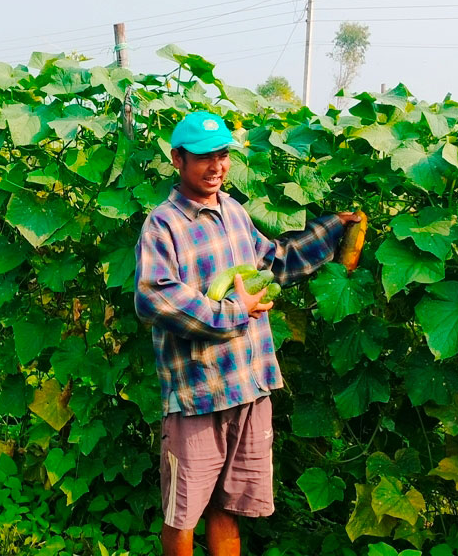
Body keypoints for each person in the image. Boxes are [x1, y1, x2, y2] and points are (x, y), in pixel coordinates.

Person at [134, 110, 364, 556]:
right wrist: (233, 311)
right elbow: (154, 297)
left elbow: (273, 262)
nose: (216, 166)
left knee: (229, 508)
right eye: (203, 157)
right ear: (178, 160)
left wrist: (331, 230)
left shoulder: (235, 212)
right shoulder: (163, 225)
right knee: (182, 514)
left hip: (248, 383)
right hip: (197, 391)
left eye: (222, 155)